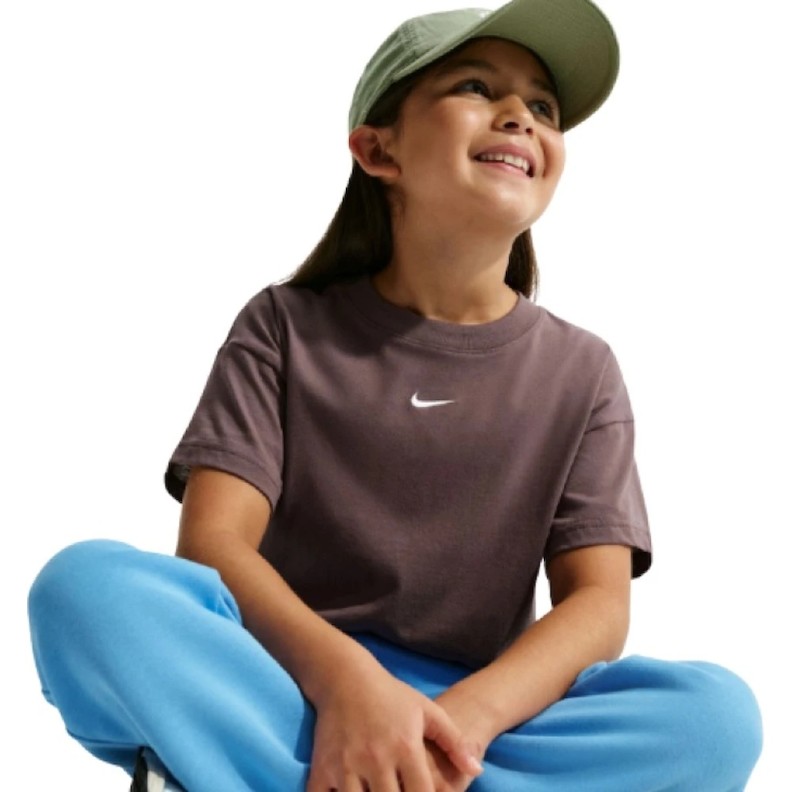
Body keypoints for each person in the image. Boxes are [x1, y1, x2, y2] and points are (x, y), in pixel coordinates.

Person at [27, 0, 763, 790]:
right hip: (292, 686)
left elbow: (598, 606)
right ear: (378, 150)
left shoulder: (584, 372)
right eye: (476, 87)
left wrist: (462, 726)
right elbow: (214, 545)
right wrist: (350, 688)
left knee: (715, 717)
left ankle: (369, 775)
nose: (520, 115)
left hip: (481, 718)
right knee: (86, 590)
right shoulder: (284, 326)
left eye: (543, 107)